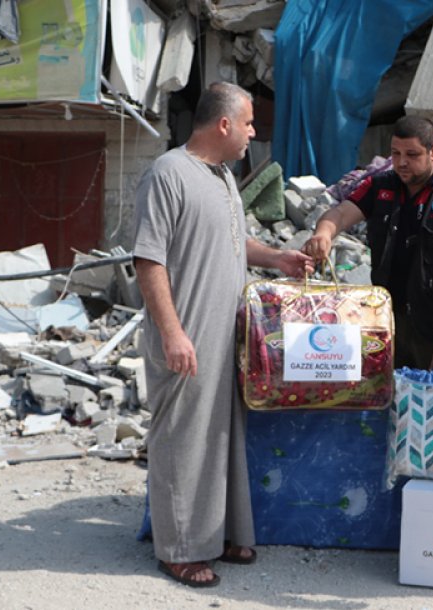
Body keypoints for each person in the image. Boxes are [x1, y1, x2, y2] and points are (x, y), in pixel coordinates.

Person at [133, 82, 312, 588]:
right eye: (251, 122)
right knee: (182, 439)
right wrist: (172, 333)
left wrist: (276, 257)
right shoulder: (168, 174)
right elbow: (149, 260)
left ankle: (222, 533)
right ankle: (180, 549)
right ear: (226, 124)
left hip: (225, 334)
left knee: (220, 437)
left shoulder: (223, 179)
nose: (255, 132)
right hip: (186, 336)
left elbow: (232, 240)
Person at [302, 116, 433, 373]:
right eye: (395, 153)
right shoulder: (380, 187)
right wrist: (323, 233)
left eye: (411, 154)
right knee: (387, 397)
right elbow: (340, 214)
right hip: (386, 320)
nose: (401, 162)